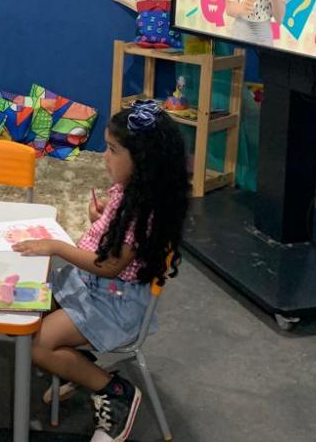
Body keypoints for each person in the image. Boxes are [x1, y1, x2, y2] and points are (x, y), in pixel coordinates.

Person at [12, 101, 189, 442]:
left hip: (113, 302)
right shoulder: (137, 193)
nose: (104, 157)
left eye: (112, 150)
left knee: (35, 344)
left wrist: (56, 247)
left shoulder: (139, 209)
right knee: (26, 309)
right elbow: (119, 246)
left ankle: (114, 392)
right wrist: (102, 221)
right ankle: (75, 363)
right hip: (94, 288)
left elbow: (109, 266)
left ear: (143, 161)